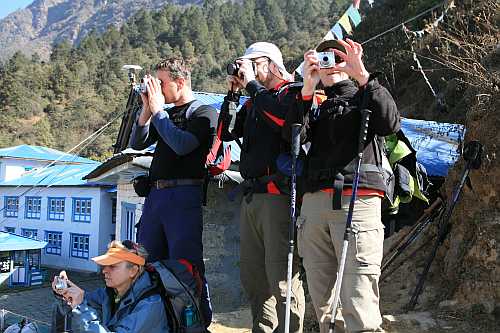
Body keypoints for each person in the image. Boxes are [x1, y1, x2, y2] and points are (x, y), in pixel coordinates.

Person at [284, 39, 400, 333]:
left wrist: (363, 75)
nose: (330, 63)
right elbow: (292, 140)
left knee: (358, 291)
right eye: (323, 57)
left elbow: (390, 123)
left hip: (356, 201)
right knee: (323, 298)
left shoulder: (366, 94)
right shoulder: (313, 104)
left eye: (337, 56)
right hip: (314, 204)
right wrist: (308, 90)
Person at [219, 42, 305, 333]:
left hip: (278, 196)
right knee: (255, 279)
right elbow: (225, 132)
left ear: (271, 63)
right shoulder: (254, 100)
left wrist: (253, 86)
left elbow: (284, 121)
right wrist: (233, 93)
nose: (248, 70)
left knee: (282, 277)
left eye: (254, 63)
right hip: (252, 195)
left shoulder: (291, 93)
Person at [129, 56, 217, 327]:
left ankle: (197, 323)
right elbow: (137, 142)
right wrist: (146, 110)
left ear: (180, 82)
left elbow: (181, 145)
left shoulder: (203, 113)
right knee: (147, 262)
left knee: (185, 265)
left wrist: (158, 112)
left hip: (183, 198)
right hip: (156, 198)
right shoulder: (162, 113)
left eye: (162, 83)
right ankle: (155, 322)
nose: (158, 89)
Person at [51, 240, 170, 333]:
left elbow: (81, 305)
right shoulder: (110, 293)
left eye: (112, 266)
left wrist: (79, 305)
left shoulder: (150, 305)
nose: (104, 271)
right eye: (105, 265)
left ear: (133, 271)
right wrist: (64, 292)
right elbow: (82, 300)